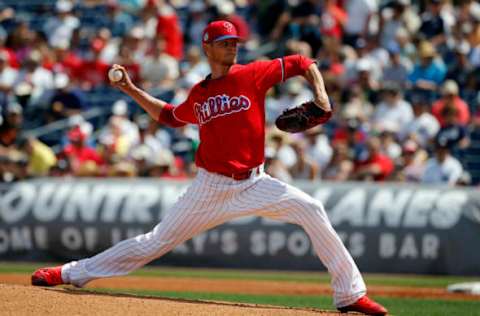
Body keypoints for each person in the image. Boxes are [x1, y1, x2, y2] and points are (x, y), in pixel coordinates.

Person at [31, 21, 387, 316]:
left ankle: (349, 294)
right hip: (210, 188)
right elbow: (169, 116)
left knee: (312, 209)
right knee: (153, 242)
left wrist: (322, 96)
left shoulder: (253, 74)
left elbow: (302, 62)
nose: (232, 46)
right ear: (207, 47)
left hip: (255, 182)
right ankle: (68, 273)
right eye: (223, 42)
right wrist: (130, 88)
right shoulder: (200, 94)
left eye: (234, 41)